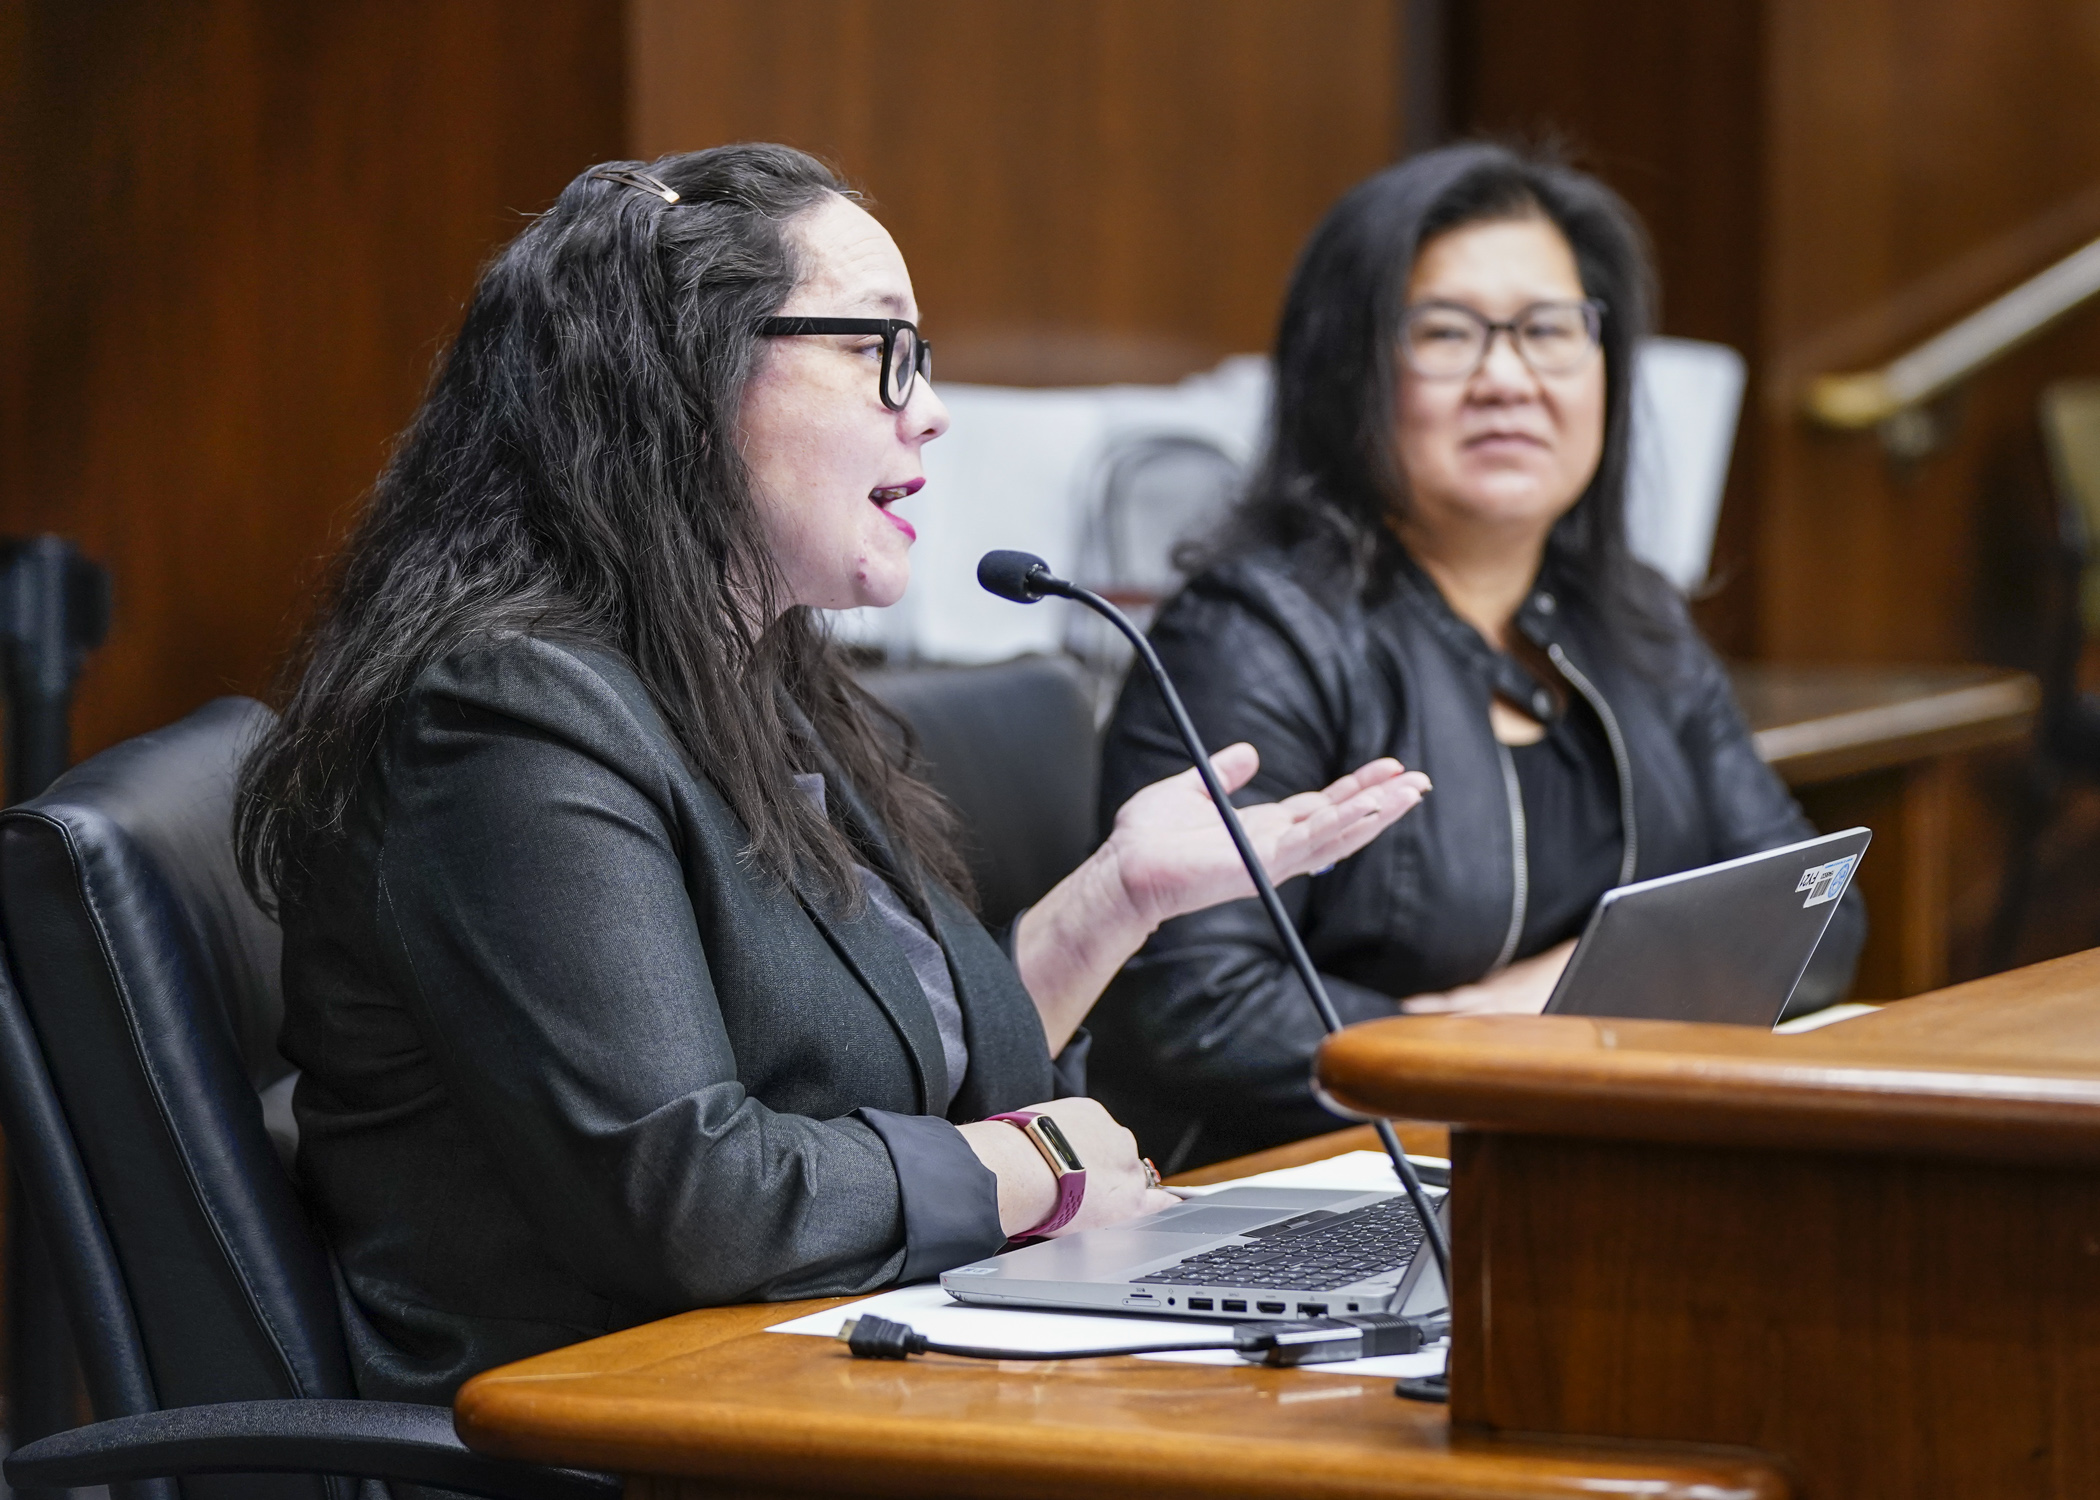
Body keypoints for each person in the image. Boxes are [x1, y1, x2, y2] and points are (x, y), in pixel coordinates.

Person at [233, 145, 1429, 1404]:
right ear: (689, 369)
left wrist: (1117, 898)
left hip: (808, 1376)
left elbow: (925, 1081)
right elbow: (685, 1195)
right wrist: (1033, 1170)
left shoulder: (755, 680)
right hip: (615, 1431)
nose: (932, 409)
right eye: (884, 352)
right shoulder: (501, 718)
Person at [1091, 143, 1866, 1172]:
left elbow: (1817, 914)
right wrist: (1486, 1042)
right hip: (1303, 1189)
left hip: (1558, 1156)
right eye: (1447, 334)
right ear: (1348, 368)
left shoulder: (1629, 617)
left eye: (1549, 330)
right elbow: (1200, 1009)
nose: (1509, 379)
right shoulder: (1250, 636)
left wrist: (1551, 997)